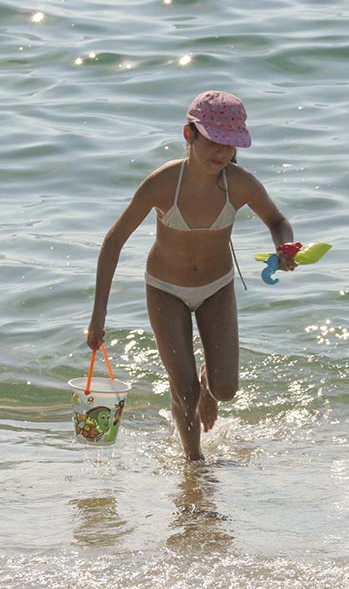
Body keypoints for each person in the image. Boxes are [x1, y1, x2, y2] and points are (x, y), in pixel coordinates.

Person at [86, 90, 297, 461]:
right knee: (183, 390)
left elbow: (277, 220)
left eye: (230, 145)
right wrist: (98, 316)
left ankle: (207, 384)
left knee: (226, 389)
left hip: (217, 288)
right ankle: (194, 464)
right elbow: (114, 240)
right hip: (165, 290)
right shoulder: (164, 183)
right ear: (190, 135)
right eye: (214, 142)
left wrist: (285, 248)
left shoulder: (241, 183)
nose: (222, 153)